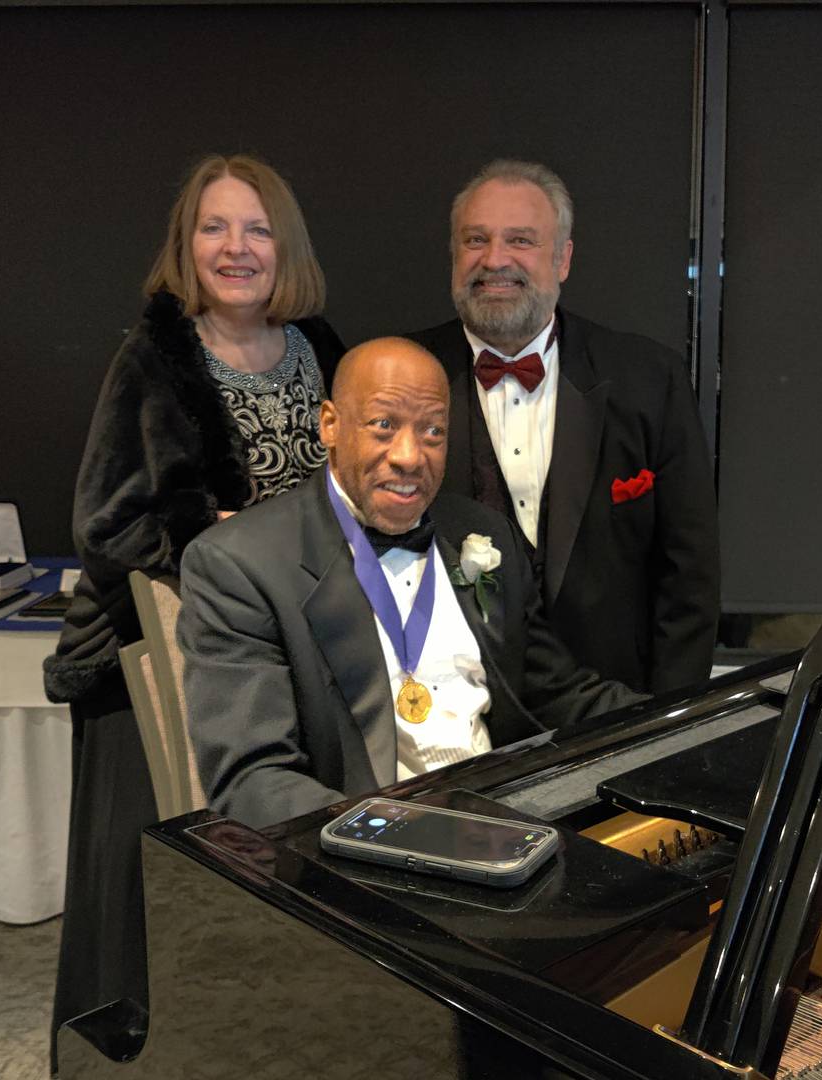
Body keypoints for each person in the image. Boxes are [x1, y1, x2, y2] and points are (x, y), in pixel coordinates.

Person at [42, 154, 344, 1067]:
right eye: (215, 227)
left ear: (283, 244)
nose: (236, 247)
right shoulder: (152, 358)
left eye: (256, 228)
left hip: (287, 649)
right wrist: (213, 540)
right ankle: (129, 1053)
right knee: (149, 878)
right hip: (155, 660)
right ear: (186, 243)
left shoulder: (319, 346)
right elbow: (104, 523)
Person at [178, 338, 643, 829]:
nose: (409, 456)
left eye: (433, 431)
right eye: (384, 425)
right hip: (367, 854)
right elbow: (253, 780)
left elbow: (558, 692)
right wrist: (401, 836)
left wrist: (693, 726)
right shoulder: (239, 563)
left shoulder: (481, 533)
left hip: (510, 827)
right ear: (330, 425)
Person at [406, 159, 719, 695]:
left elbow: (688, 577)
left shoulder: (649, 378)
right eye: (475, 239)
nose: (495, 259)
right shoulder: (401, 374)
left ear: (563, 258)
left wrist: (666, 731)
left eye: (521, 240)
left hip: (614, 714)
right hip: (448, 716)